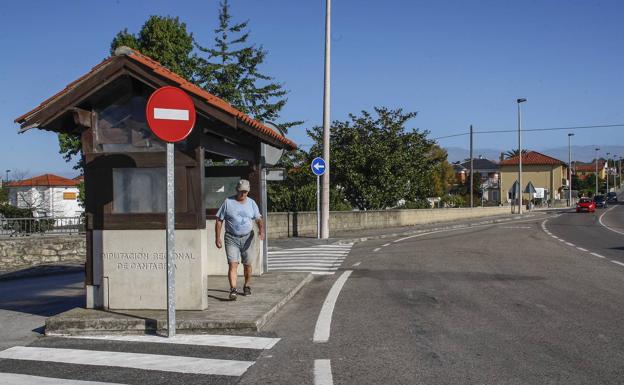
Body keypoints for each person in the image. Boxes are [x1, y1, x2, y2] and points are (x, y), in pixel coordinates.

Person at [215, 179, 264, 300]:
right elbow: (219, 220)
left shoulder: (252, 203)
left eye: (245, 192)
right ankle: (233, 289)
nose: (243, 194)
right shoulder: (228, 202)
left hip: (248, 238)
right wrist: (217, 237)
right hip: (231, 238)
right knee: (233, 264)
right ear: (237, 190)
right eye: (241, 191)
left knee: (247, 264)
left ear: (248, 192)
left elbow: (258, 219)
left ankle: (247, 285)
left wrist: (261, 230)